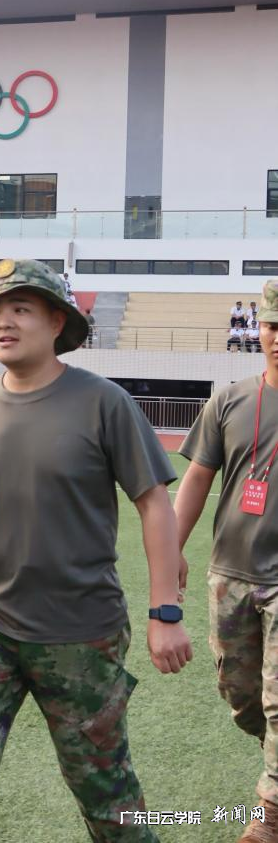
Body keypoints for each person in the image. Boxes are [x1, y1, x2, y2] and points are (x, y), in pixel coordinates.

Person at [0, 258, 192, 842]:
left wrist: (165, 610)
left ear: (57, 322)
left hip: (80, 631)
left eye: (20, 309)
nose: (3, 322)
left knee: (107, 794)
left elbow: (153, 504)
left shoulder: (103, 402)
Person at [174, 279, 278, 840]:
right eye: (272, 326)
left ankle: (270, 816)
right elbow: (196, 480)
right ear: (258, 330)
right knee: (242, 697)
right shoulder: (230, 400)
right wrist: (170, 549)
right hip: (230, 574)